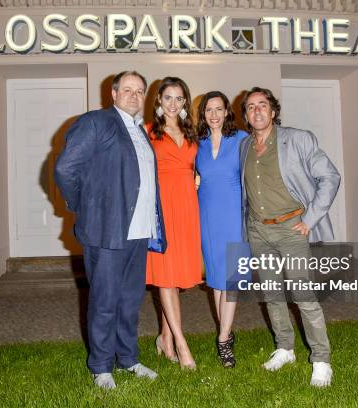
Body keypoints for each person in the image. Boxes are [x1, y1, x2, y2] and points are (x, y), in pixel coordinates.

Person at [54, 71, 167, 390]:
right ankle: (101, 366)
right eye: (127, 90)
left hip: (139, 230)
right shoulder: (96, 122)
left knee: (130, 300)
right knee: (104, 300)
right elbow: (65, 168)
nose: (134, 95)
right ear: (113, 94)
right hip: (107, 231)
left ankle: (128, 358)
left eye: (140, 91)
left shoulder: (140, 130)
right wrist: (84, 205)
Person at [239, 87, 340, 387]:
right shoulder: (244, 146)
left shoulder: (297, 139)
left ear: (273, 111)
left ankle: (321, 360)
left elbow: (330, 177)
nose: (257, 111)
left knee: (303, 296)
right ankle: (285, 349)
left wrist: (309, 219)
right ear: (245, 114)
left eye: (263, 105)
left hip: (291, 227)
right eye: (251, 107)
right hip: (258, 229)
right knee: (271, 293)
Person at [145, 77, 202, 370]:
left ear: (184, 103)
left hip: (187, 207)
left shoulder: (192, 134)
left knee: (176, 276)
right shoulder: (148, 132)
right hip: (161, 208)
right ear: (158, 100)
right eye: (168, 97)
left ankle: (164, 338)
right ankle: (181, 344)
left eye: (179, 99)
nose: (173, 104)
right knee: (166, 275)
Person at [195, 91, 248, 368]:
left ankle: (223, 339)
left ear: (227, 111)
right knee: (216, 279)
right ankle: (225, 334)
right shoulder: (198, 144)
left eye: (219, 109)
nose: (214, 115)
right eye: (208, 110)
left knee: (232, 279)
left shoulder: (240, 139)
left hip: (234, 216)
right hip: (207, 216)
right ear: (203, 114)